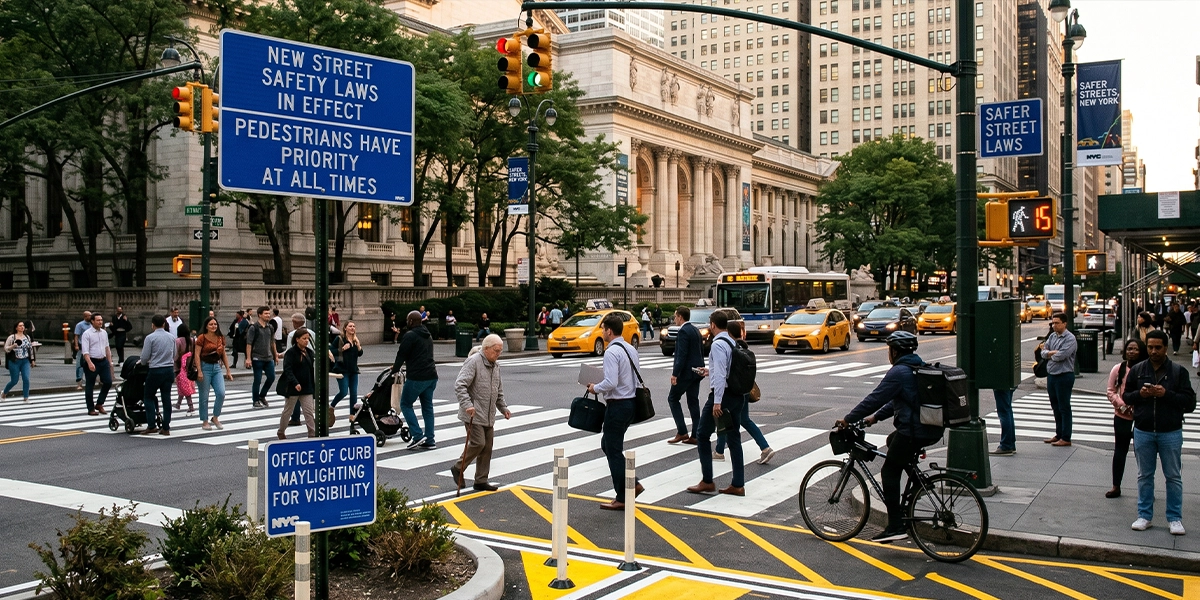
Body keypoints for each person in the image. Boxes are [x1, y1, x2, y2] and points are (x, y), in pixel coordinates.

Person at [836, 331, 943, 542]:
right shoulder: (917, 367)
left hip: (913, 431)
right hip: (928, 429)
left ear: (894, 351)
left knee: (889, 472)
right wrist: (874, 419)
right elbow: (896, 400)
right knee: (891, 441)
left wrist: (849, 419)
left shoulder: (899, 372)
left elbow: (875, 398)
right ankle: (916, 480)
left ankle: (896, 525)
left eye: (889, 350)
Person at [1123, 330, 1195, 536]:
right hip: (1143, 429)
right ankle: (1144, 515)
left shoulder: (1178, 372)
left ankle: (1174, 518)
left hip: (1170, 430)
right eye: (1150, 347)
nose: (1153, 351)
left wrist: (1166, 394)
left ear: (1166, 348)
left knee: (1173, 476)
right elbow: (1127, 396)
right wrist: (1141, 394)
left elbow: (1189, 402)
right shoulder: (1137, 370)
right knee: (1144, 475)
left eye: (1158, 347)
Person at [687, 310, 747, 497]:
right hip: (737, 395)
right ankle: (738, 483)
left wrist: (717, 402)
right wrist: (708, 371)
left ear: (713, 325)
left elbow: (721, 374)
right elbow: (726, 369)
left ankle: (707, 480)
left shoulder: (718, 345)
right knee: (734, 438)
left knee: (702, 434)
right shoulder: (731, 342)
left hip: (723, 397)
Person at [588, 313, 645, 510]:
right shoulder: (630, 348)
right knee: (609, 444)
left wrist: (594, 387)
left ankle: (623, 495)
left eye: (603, 329)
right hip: (630, 403)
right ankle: (632, 483)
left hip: (617, 404)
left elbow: (611, 382)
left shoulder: (611, 352)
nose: (602, 332)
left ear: (609, 331)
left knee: (612, 449)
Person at [450, 334, 511, 496]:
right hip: (473, 413)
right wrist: (468, 405)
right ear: (486, 348)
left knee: (487, 447)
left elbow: (498, 391)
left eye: (500, 351)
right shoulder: (474, 362)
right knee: (478, 443)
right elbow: (460, 385)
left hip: (488, 413)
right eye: (496, 351)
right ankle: (458, 468)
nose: (498, 354)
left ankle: (481, 480)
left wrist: (503, 408)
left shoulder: (495, 366)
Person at [714, 321, 777, 465]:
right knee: (743, 419)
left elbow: (724, 371)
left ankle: (719, 451)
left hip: (732, 390)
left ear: (729, 333)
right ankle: (764, 447)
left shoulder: (731, 348)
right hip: (744, 389)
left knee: (723, 417)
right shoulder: (744, 347)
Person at [1105, 338, 1147, 499]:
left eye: (1136, 349)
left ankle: (1146, 487)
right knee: (1120, 451)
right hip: (1122, 415)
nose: (1132, 352)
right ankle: (1116, 485)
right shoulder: (1118, 368)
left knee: (1143, 453)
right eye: (1129, 348)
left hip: (1141, 417)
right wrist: (1121, 405)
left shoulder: (1146, 369)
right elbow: (1110, 390)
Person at [393, 310, 438, 450]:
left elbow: (401, 355)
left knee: (405, 404)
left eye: (408, 320)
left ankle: (417, 435)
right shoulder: (427, 335)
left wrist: (394, 369)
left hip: (417, 376)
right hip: (431, 375)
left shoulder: (410, 336)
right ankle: (430, 439)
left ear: (411, 321)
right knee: (427, 407)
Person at [666, 306, 703, 445]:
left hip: (686, 373)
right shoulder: (695, 330)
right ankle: (696, 434)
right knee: (693, 402)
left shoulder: (683, 332)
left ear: (680, 317)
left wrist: (675, 373)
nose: (675, 319)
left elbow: (681, 355)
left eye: (676, 316)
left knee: (673, 399)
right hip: (696, 372)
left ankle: (682, 431)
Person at [1043, 313, 1078, 447]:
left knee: (1064, 407)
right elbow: (1043, 352)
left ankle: (1066, 436)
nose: (1054, 325)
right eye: (1053, 323)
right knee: (1055, 406)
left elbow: (1062, 356)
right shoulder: (1052, 336)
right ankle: (1059, 433)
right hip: (1052, 374)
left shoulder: (1070, 339)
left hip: (1064, 375)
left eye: (1057, 323)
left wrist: (1050, 354)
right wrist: (1051, 353)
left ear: (1064, 323)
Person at [194, 316, 233, 431]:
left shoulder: (220, 337)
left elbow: (223, 354)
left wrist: (228, 370)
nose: (213, 326)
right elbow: (197, 355)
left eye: (215, 324)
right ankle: (205, 421)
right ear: (206, 326)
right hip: (204, 366)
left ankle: (215, 417)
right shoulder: (201, 338)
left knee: (221, 393)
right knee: (204, 396)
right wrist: (199, 371)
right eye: (211, 324)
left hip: (216, 367)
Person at [277, 328, 317, 439]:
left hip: (307, 387)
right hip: (293, 387)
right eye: (304, 339)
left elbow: (311, 370)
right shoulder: (290, 353)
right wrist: (295, 383)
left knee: (308, 412)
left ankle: (312, 434)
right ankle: (281, 431)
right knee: (288, 410)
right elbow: (288, 370)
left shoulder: (309, 352)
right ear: (297, 339)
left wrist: (312, 386)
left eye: (308, 339)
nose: (306, 341)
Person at [139, 315, 175, 436]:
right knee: (166, 398)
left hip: (155, 369)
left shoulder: (150, 338)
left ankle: (151, 425)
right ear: (164, 324)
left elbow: (144, 357)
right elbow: (174, 354)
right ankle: (166, 427)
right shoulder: (171, 337)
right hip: (169, 369)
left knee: (148, 396)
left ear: (153, 324)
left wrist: (144, 362)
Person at [80, 313, 114, 416]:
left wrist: (110, 361)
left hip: (103, 360)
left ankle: (100, 403)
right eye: (98, 320)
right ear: (92, 321)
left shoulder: (104, 333)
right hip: (92, 360)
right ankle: (90, 408)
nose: (100, 322)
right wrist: (89, 362)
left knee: (108, 382)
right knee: (90, 385)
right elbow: (85, 351)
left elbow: (107, 348)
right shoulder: (87, 334)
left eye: (101, 320)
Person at [246, 307, 278, 409]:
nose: (268, 315)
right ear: (259, 315)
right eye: (266, 313)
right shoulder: (254, 328)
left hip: (268, 357)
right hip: (257, 357)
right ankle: (255, 400)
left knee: (271, 377)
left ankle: (262, 395)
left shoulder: (270, 327)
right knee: (257, 379)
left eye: (269, 313)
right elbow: (249, 344)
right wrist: (248, 358)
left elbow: (272, 342)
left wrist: (275, 355)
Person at [330, 320, 364, 416]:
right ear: (345, 328)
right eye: (350, 326)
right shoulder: (339, 339)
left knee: (354, 393)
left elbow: (360, 354)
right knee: (343, 392)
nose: (352, 328)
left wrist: (358, 346)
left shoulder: (355, 340)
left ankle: (352, 416)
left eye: (354, 326)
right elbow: (330, 351)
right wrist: (342, 349)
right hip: (341, 370)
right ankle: (331, 406)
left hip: (353, 370)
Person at [3, 321, 33, 402]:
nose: (22, 327)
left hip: (25, 360)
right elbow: (5, 348)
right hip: (15, 360)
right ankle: (4, 393)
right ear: (16, 328)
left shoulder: (27, 337)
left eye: (23, 325)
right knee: (14, 381)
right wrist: (13, 346)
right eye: (20, 326)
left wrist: (32, 360)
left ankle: (26, 398)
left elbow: (30, 349)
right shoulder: (12, 337)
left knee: (26, 379)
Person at [988, 386, 1017, 456]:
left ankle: (1006, 445)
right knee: (1008, 410)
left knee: (1004, 412)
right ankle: (1010, 443)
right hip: (1010, 381)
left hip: (1002, 383)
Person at [174, 325, 196, 414]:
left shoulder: (178, 341)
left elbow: (175, 356)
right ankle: (178, 403)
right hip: (190, 367)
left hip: (179, 367)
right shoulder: (192, 341)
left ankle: (191, 406)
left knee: (183, 387)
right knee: (183, 386)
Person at [73, 310, 92, 390]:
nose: (90, 317)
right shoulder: (80, 325)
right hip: (82, 347)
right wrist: (76, 345)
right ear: (85, 316)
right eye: (89, 316)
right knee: (80, 364)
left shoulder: (92, 324)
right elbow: (76, 336)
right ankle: (79, 381)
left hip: (91, 347)